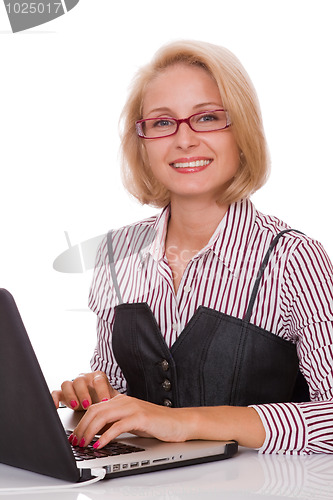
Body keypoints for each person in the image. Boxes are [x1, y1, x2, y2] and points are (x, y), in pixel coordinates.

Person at [52, 40, 333, 454]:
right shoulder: (115, 253)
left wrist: (183, 422)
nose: (184, 140)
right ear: (143, 142)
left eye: (207, 118)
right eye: (163, 123)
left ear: (242, 132)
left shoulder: (294, 260)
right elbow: (121, 392)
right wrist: (97, 399)